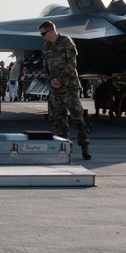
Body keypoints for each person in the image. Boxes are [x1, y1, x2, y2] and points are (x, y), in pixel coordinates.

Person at [39, 20, 91, 160]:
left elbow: (72, 64)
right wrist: (50, 81)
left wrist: (60, 80)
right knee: (59, 120)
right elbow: (45, 68)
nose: (42, 36)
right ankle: (64, 149)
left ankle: (84, 146)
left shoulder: (66, 42)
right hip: (55, 90)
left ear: (51, 31)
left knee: (77, 117)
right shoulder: (46, 47)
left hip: (69, 88)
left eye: (43, 33)